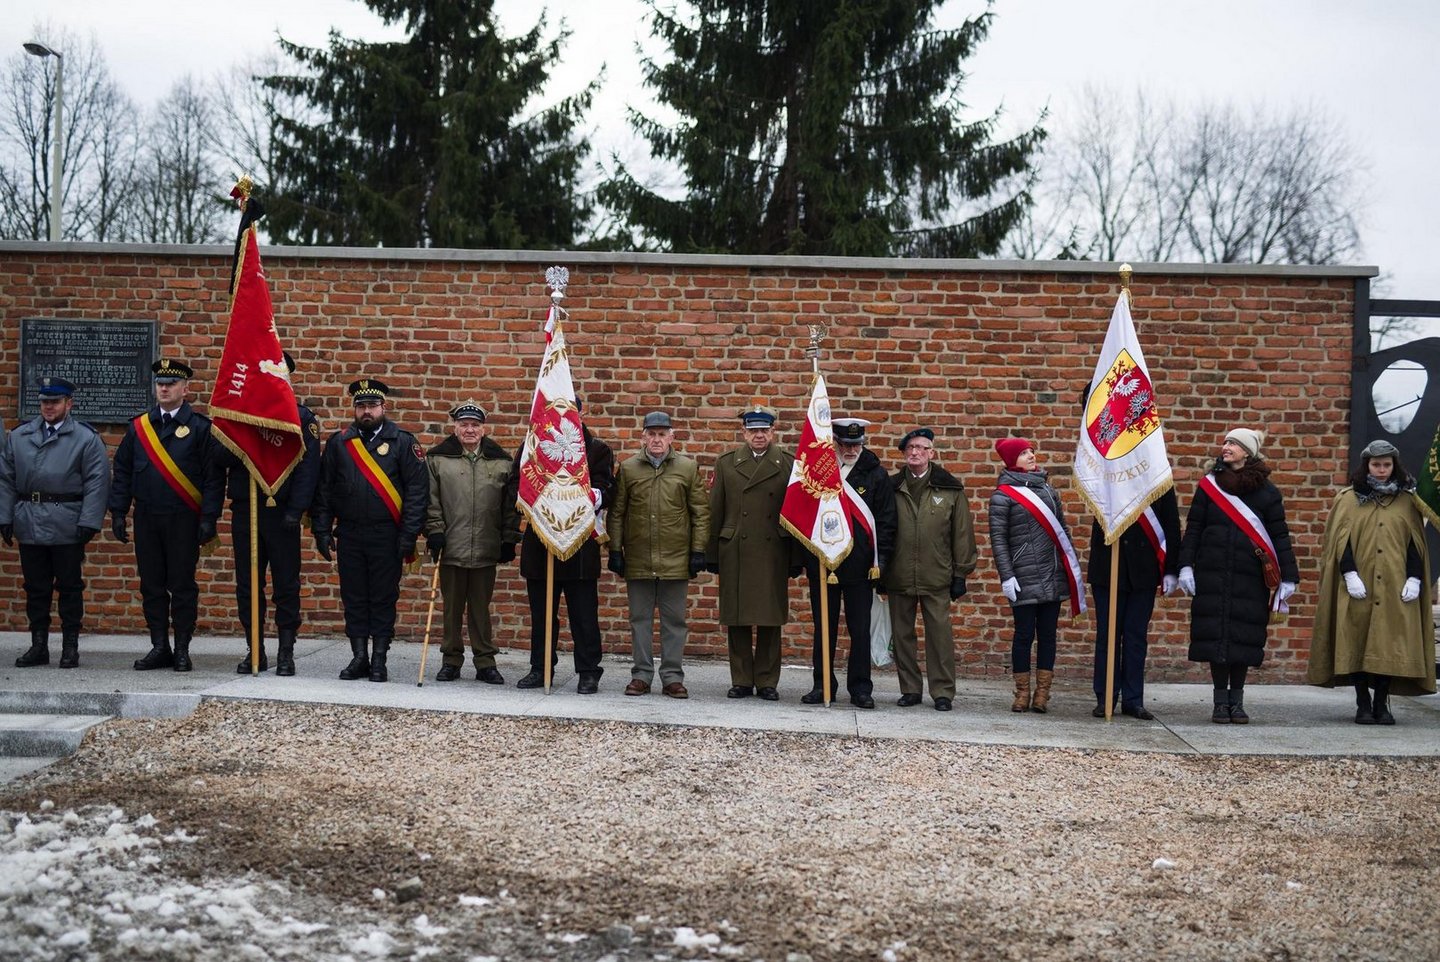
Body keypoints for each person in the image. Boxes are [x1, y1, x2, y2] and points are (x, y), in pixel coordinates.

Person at [1176, 428, 1299, 724]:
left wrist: (1289, 577)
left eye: (1233, 443)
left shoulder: (1267, 492)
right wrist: (1185, 565)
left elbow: (1279, 536)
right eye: (1225, 442)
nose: (1226, 446)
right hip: (1212, 572)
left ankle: (1237, 702)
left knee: (1242, 638)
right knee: (1216, 637)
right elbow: (1194, 528)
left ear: (1247, 451)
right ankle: (1220, 702)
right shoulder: (1209, 486)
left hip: (1250, 576)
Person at [109, 359, 225, 672]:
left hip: (183, 519)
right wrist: (118, 511)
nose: (164, 388)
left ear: (185, 389)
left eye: (171, 384)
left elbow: (213, 479)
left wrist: (209, 519)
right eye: (160, 383)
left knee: (182, 585)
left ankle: (182, 648)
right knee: (151, 585)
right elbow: (122, 470)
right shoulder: (139, 428)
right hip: (147, 517)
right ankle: (160, 646)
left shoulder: (200, 428)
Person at [1308, 439, 1435, 723]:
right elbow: (1339, 542)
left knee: (1388, 644)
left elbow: (1415, 544)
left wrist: (1414, 578)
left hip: (1394, 586)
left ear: (1394, 466)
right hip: (1356, 585)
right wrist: (1349, 573)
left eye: (1386, 465)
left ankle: (1381, 704)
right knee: (1355, 640)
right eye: (1376, 464)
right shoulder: (1348, 499)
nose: (1381, 469)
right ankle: (1362, 703)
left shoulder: (1407, 501)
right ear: (1366, 465)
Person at [312, 378, 428, 683]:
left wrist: (409, 535)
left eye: (372, 406)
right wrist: (321, 530)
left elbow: (417, 492)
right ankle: (359, 657)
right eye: (361, 406)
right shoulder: (339, 443)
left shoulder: (403, 442)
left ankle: (379, 659)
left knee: (383, 598)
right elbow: (325, 490)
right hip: (350, 534)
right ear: (354, 408)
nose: (367, 411)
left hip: (386, 535)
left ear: (383, 407)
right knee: (353, 597)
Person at [215, 352, 321, 676]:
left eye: (280, 374)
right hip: (246, 510)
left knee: (286, 585)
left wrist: (296, 509)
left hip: (282, 513)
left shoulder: (301, 418)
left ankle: (286, 651)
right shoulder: (241, 415)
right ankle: (255, 650)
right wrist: (241, 427)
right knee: (248, 586)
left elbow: (308, 470)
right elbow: (218, 457)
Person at [1, 377, 110, 669]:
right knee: (35, 588)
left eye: (55, 402)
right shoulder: (20, 436)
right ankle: (38, 646)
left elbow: (97, 482)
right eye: (44, 402)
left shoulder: (85, 438)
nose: (48, 407)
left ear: (68, 403)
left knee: (69, 587)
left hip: (67, 523)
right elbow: (6, 479)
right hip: (30, 521)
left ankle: (70, 647)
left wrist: (89, 521)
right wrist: (5, 516)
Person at [607, 411, 709, 699]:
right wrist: (615, 549)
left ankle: (672, 677)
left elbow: (701, 512)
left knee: (674, 622)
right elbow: (617, 513)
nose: (656, 439)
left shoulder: (687, 468)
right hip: (638, 557)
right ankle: (641, 675)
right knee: (639, 619)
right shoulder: (628, 469)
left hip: (676, 558)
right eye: (651, 434)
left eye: (662, 434)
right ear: (643, 437)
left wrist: (698, 550)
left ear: (671, 437)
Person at [514, 408, 615, 693]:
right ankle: (540, 668)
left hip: (579, 545)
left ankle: (588, 671)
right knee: (542, 616)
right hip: (541, 545)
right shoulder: (532, 447)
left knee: (584, 616)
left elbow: (608, 490)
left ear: (578, 414)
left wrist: (579, 495)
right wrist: (538, 501)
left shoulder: (596, 450)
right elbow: (514, 485)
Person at [801, 417, 896, 709]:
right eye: (845, 444)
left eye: (856, 444)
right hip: (824, 564)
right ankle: (822, 684)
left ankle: (861, 688)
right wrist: (809, 559)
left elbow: (886, 522)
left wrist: (882, 564)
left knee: (860, 629)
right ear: (835, 443)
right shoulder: (819, 473)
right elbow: (806, 517)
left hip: (861, 565)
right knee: (824, 628)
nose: (851, 450)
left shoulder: (876, 474)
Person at [424, 399, 519, 684]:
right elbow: (431, 500)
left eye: (475, 425)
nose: (469, 430)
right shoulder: (437, 460)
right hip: (450, 546)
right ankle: (451, 660)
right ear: (454, 427)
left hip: (486, 547)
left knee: (480, 609)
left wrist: (508, 538)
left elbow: (510, 506)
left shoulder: (501, 461)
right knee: (451, 609)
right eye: (464, 424)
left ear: (483, 429)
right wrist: (435, 531)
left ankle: (485, 662)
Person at [883, 427, 978, 711]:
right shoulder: (891, 487)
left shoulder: (950, 489)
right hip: (899, 574)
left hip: (936, 575)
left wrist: (961, 573)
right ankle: (910, 689)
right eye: (910, 448)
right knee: (902, 636)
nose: (915, 452)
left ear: (931, 453)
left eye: (921, 448)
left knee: (939, 637)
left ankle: (943, 692)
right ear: (904, 453)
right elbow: (881, 529)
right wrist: (881, 568)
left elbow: (962, 533)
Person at [708, 403, 798, 701]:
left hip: (773, 549)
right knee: (738, 618)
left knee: (770, 619)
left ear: (773, 432)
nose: (759, 435)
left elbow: (797, 514)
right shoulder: (727, 463)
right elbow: (716, 509)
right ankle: (742, 680)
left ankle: (768, 681)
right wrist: (711, 553)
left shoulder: (788, 463)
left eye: (764, 430)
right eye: (753, 430)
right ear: (744, 432)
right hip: (736, 548)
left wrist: (796, 557)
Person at [988, 437, 1079, 713]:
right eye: (1024, 453)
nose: (1031, 455)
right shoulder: (1002, 496)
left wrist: (1070, 566)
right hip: (1022, 576)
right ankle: (1022, 693)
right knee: (1024, 635)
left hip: (1053, 573)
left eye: (1031, 451)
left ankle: (1042, 694)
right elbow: (999, 540)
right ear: (1011, 460)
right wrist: (1007, 575)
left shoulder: (1049, 490)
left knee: (1048, 635)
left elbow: (1062, 530)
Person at [1086, 489, 1182, 720]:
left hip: (1144, 568)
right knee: (1107, 636)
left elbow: (1171, 524)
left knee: (1136, 637)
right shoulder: (1108, 475)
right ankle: (1106, 697)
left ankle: (1133, 699)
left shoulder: (1159, 479)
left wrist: (1171, 569)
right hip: (1108, 566)